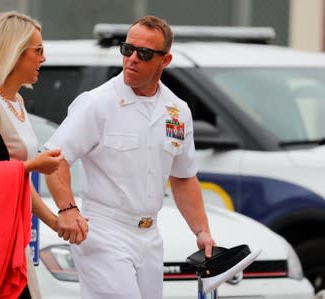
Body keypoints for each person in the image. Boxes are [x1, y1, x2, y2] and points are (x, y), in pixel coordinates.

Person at [44, 15, 215, 299]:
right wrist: (68, 209)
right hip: (103, 230)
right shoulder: (97, 102)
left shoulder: (177, 110)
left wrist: (201, 231)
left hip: (150, 234)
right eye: (127, 49)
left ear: (165, 60)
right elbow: (54, 160)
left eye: (144, 53)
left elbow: (183, 177)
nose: (132, 58)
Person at [0, 11, 87, 299]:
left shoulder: (16, 101)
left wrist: (55, 221)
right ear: (13, 53)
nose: (44, 58)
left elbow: (15, 178)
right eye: (38, 51)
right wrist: (32, 165)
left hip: (11, 228)